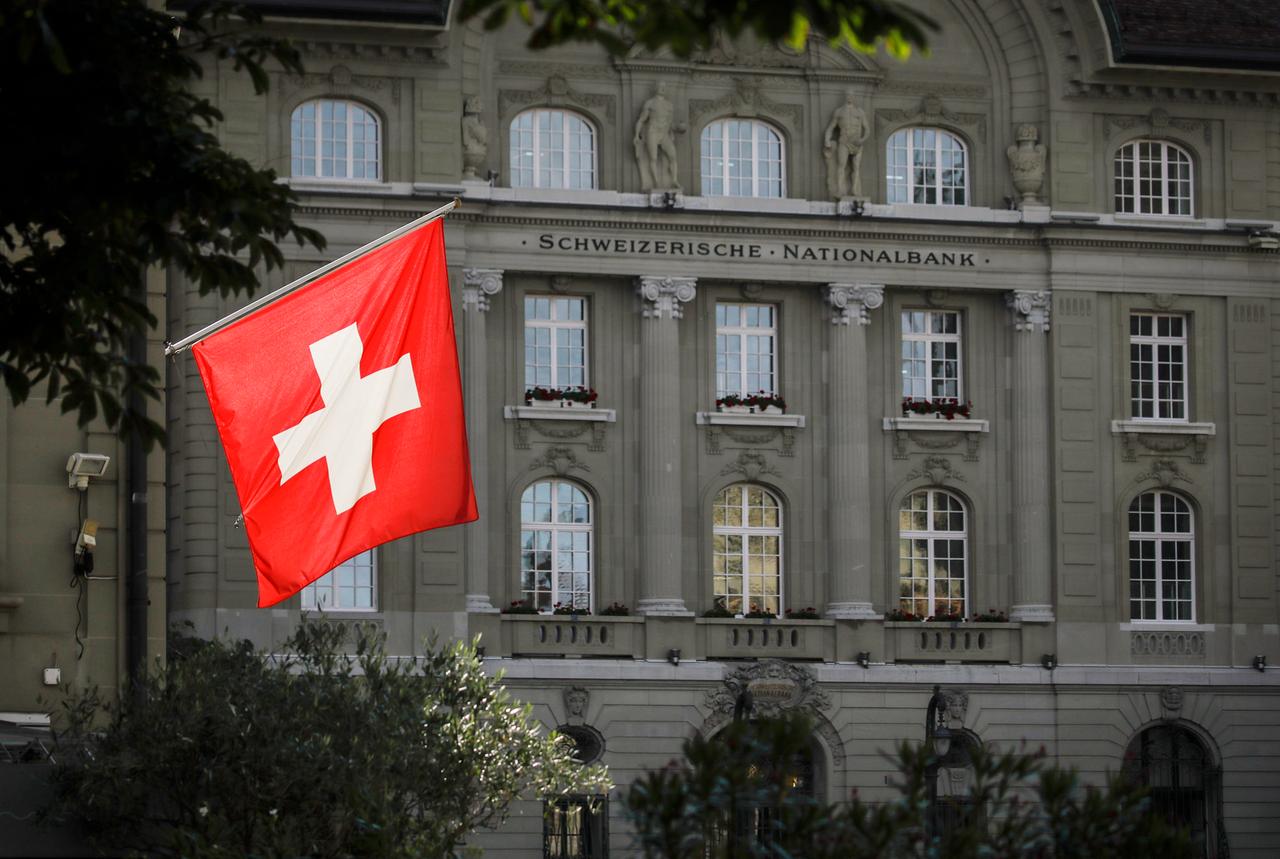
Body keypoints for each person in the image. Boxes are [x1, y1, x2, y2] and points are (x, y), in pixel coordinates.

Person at [824, 89, 870, 199]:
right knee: (841, 166)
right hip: (844, 141)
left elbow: (867, 129)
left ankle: (855, 190)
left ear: (854, 97)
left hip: (857, 142)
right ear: (845, 97)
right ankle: (840, 190)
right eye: (848, 95)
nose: (850, 97)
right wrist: (827, 140)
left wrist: (862, 139)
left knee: (856, 167)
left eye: (852, 95)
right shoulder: (839, 111)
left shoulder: (860, 112)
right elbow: (830, 128)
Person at [634, 82, 680, 191]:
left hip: (664, 134)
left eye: (664, 87)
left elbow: (670, 123)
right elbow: (641, 120)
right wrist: (636, 135)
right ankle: (656, 182)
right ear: (655, 89)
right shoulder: (650, 103)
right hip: (652, 132)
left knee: (673, 156)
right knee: (653, 157)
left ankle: (674, 180)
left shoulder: (669, 105)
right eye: (660, 87)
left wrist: (677, 129)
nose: (662, 89)